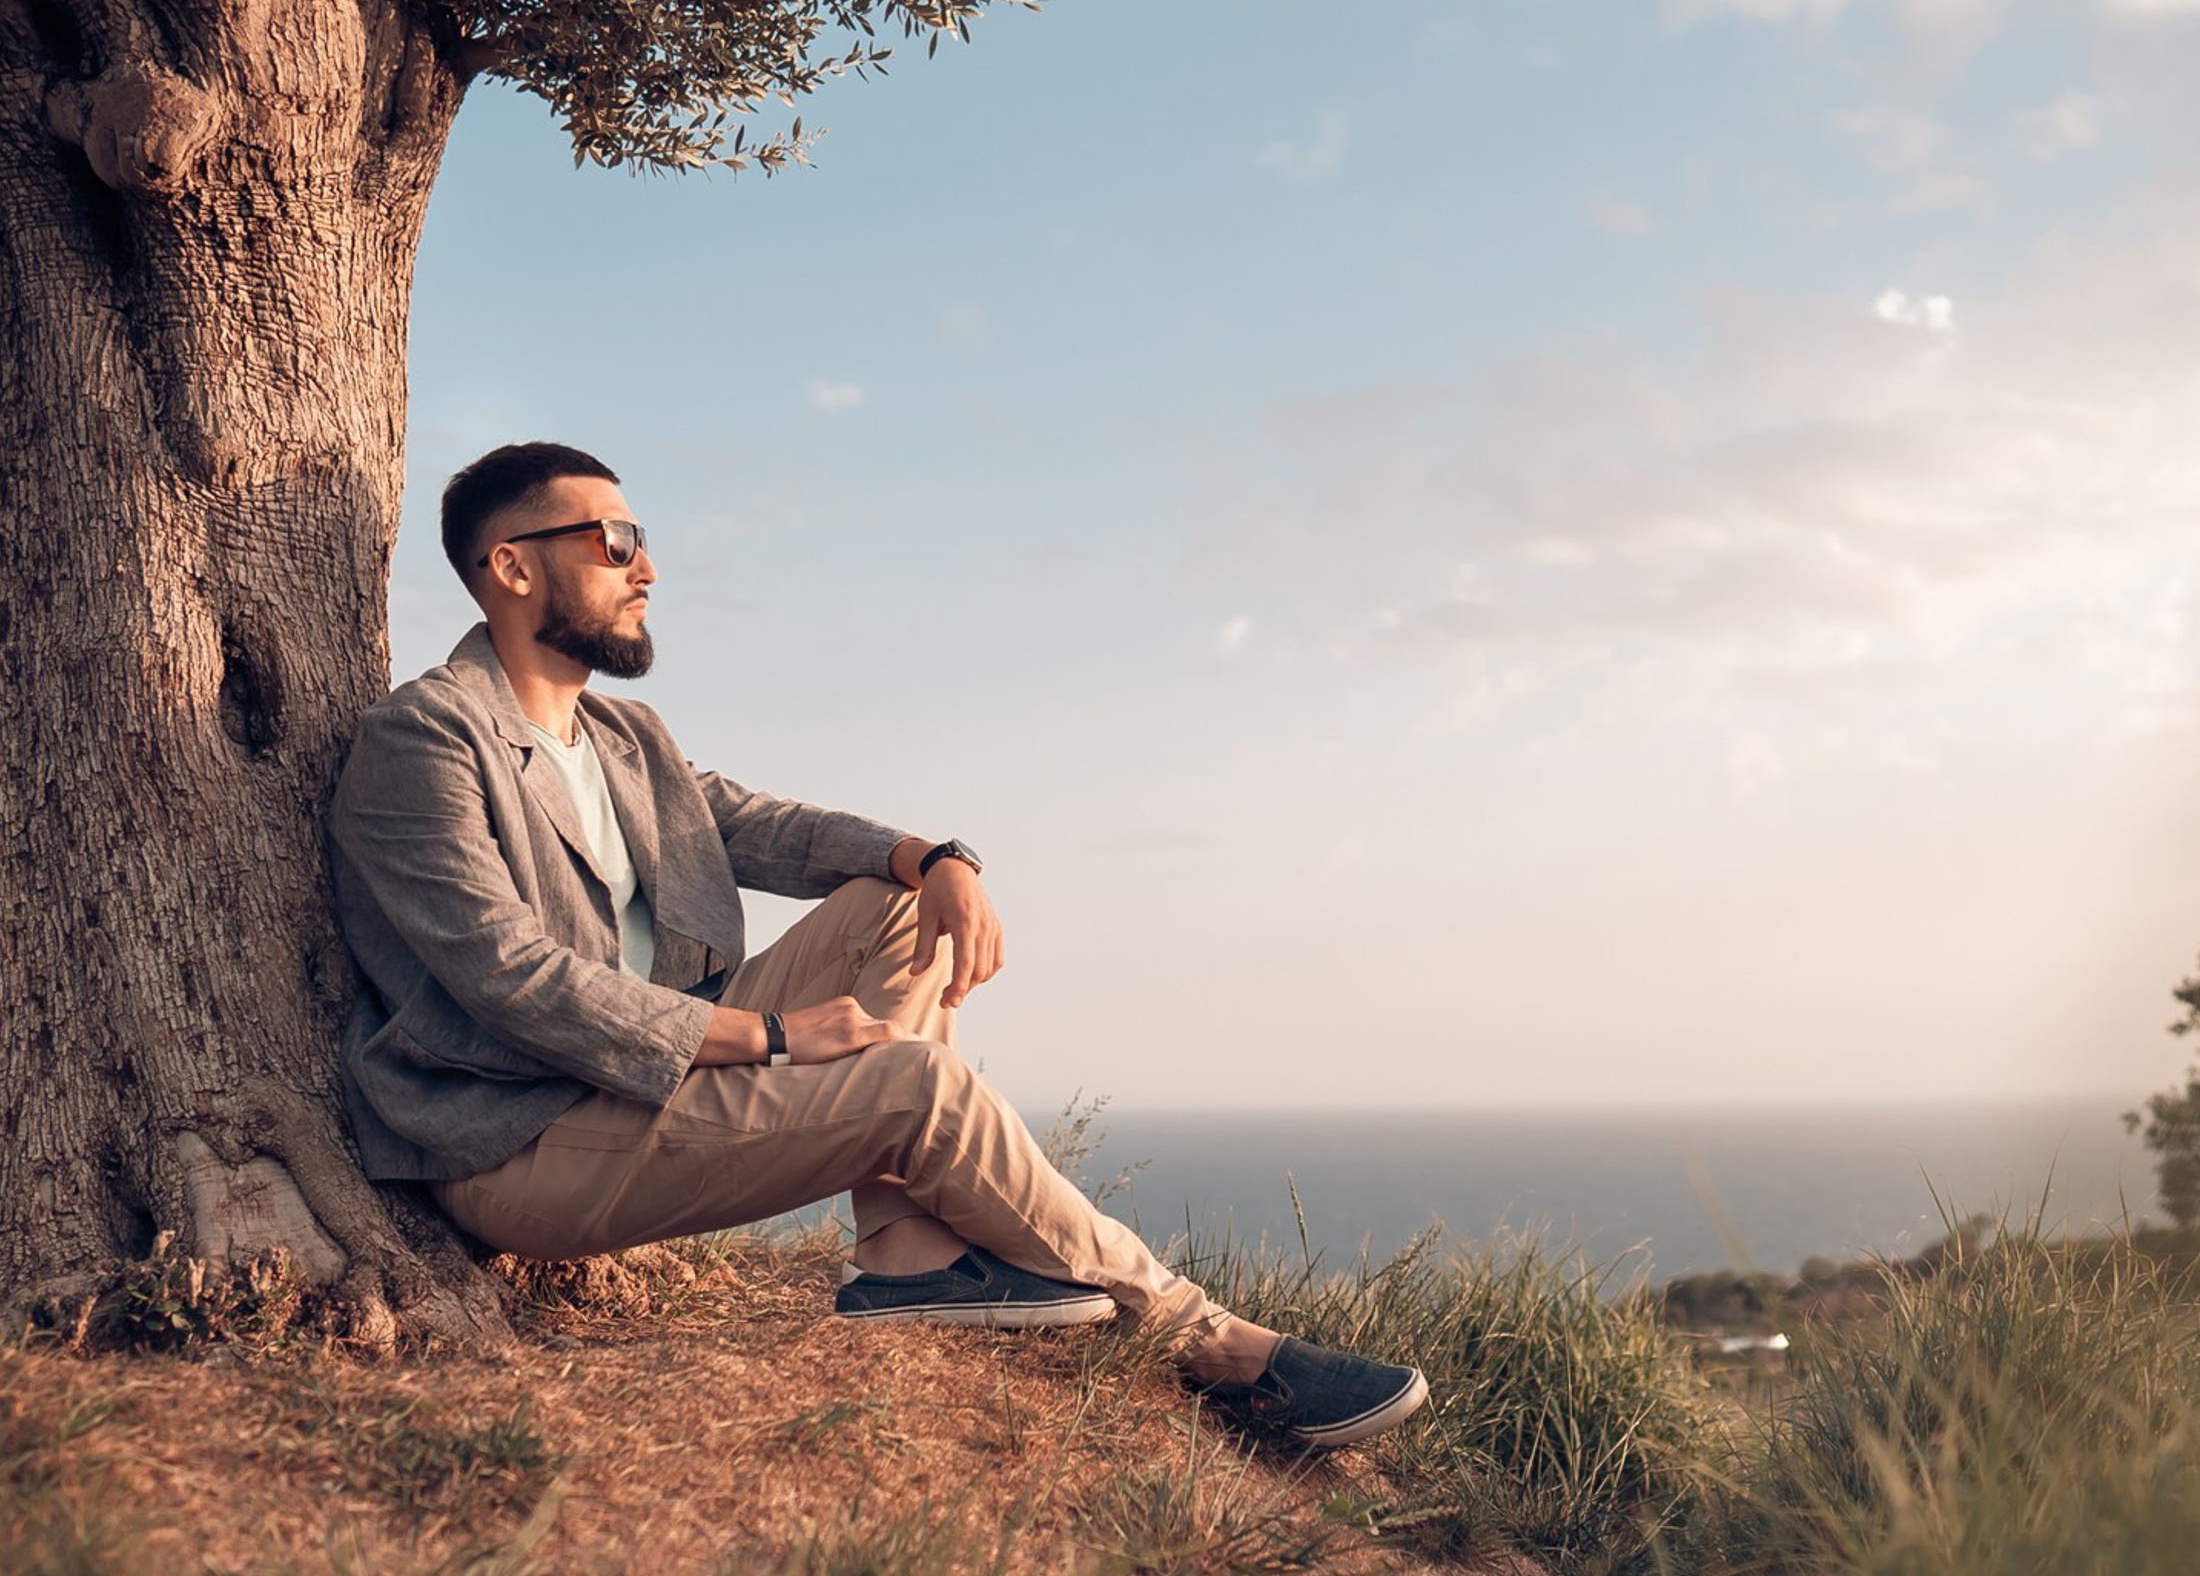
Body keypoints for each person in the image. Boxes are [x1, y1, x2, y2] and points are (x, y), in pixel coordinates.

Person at [327, 441, 1428, 1450]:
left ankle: (906, 1251)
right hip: (519, 1138)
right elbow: (510, 979)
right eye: (615, 541)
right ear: (513, 567)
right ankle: (1216, 1346)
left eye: (642, 538)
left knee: (896, 904)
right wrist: (770, 1037)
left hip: (646, 1087)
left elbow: (765, 826)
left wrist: (935, 856)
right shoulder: (426, 738)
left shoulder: (620, 735)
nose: (647, 567)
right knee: (915, 1086)